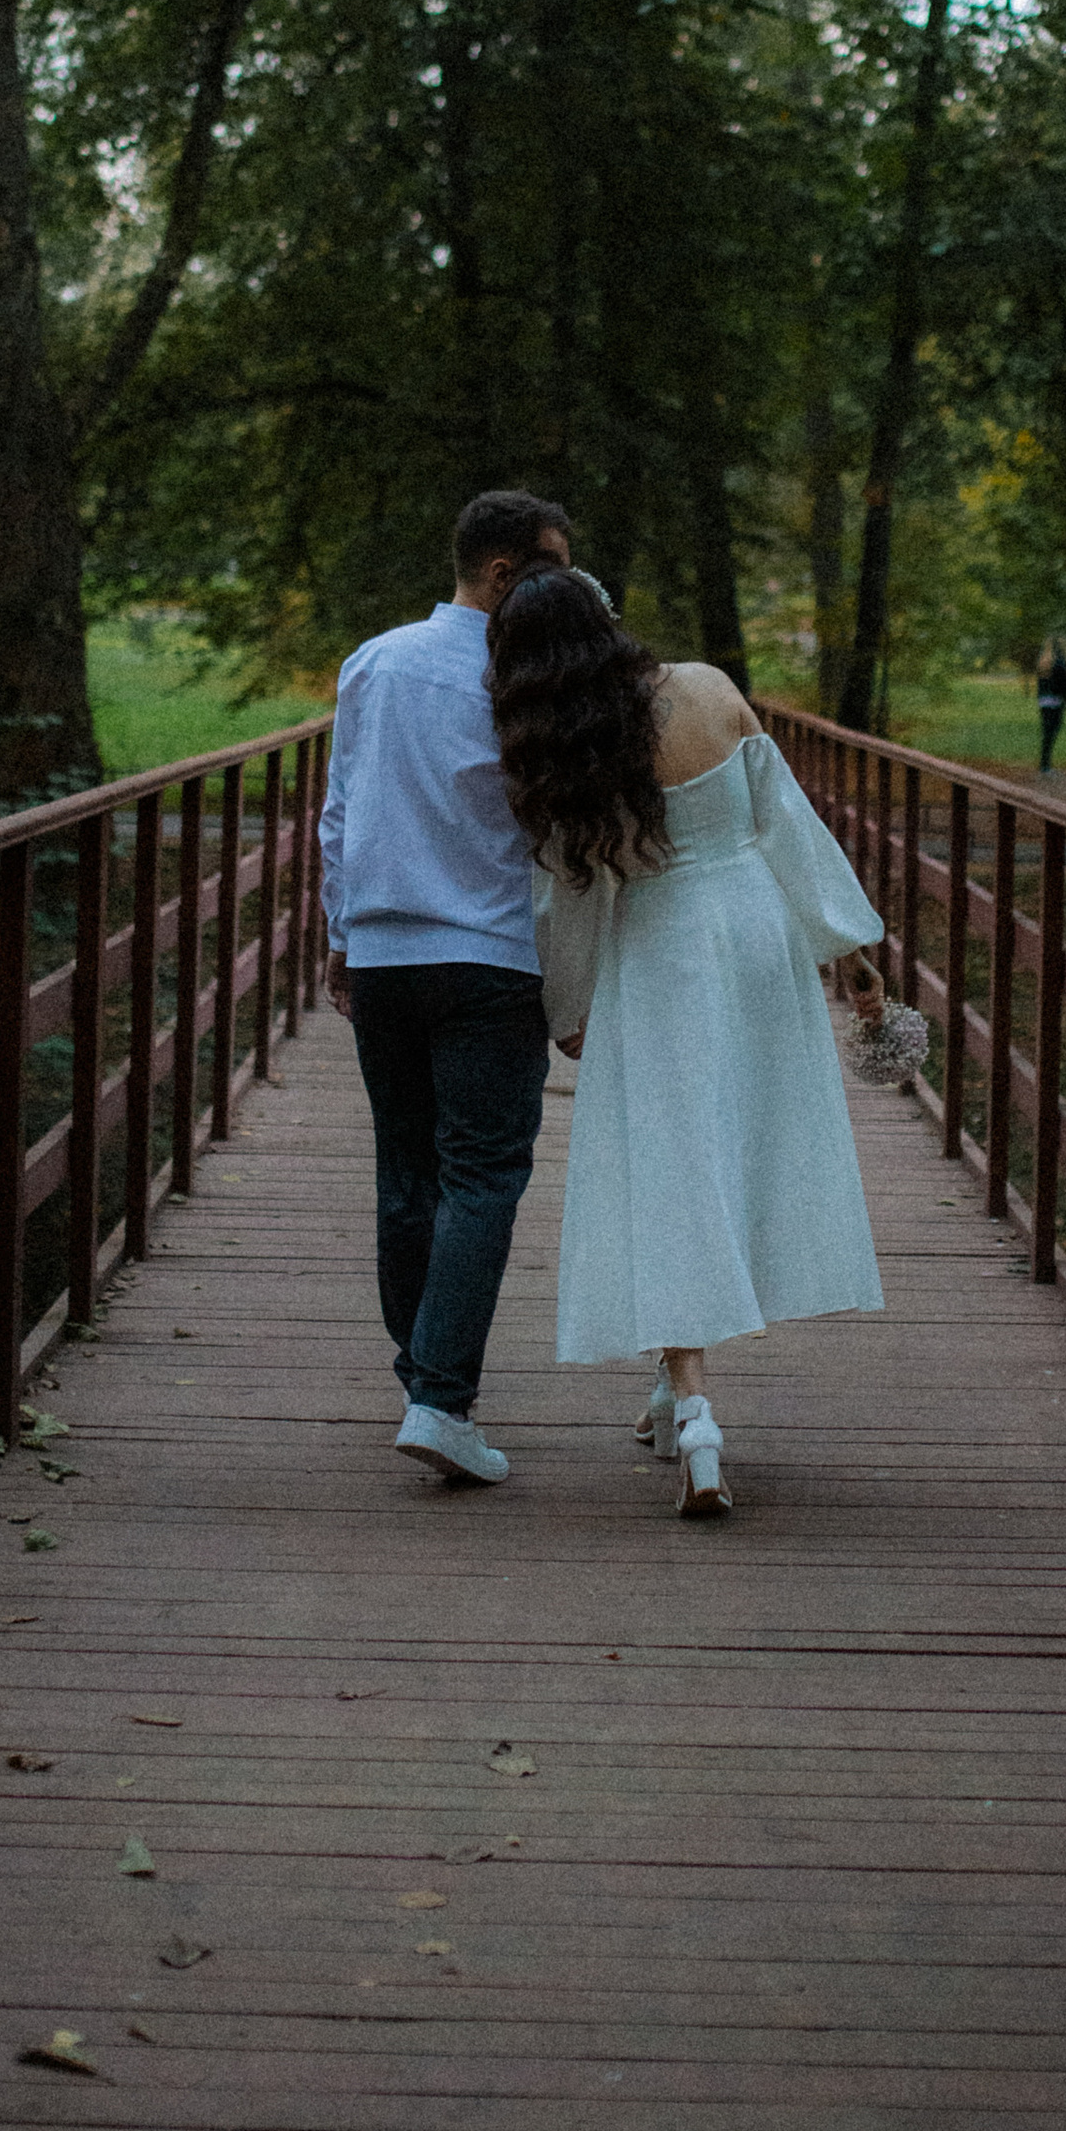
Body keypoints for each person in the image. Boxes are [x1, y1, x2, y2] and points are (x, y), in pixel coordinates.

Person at [486, 563, 889, 1520]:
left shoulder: (565, 751)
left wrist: (568, 1008)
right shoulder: (709, 689)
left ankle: (697, 1413)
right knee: (739, 1141)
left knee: (670, 1165)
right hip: (755, 932)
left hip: (662, 949)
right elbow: (789, 825)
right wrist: (848, 950)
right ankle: (672, 1392)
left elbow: (573, 896)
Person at [319, 488, 573, 1489]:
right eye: (551, 567)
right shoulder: (527, 679)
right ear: (506, 572)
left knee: (406, 1178)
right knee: (481, 1177)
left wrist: (340, 937)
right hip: (488, 955)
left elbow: (339, 812)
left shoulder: (373, 662)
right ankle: (440, 1398)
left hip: (383, 954)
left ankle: (421, 1381)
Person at [1033, 633, 1066, 775]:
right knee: (1051, 734)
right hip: (1056, 702)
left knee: (1047, 733)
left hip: (1044, 701)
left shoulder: (1044, 661)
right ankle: (1046, 766)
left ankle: (1044, 765)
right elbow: (1065, 683)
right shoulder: (1060, 662)